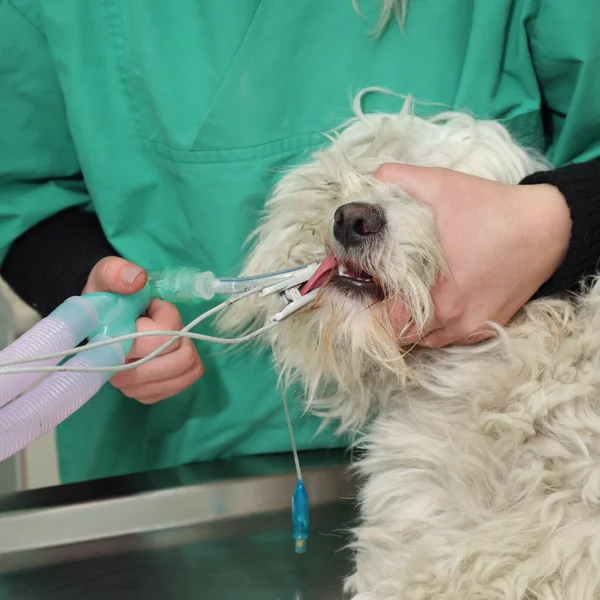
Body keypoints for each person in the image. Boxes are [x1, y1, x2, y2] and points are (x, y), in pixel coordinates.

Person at [0, 0, 599, 484]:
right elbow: (21, 193)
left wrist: (551, 221)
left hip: (516, 455)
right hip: (180, 453)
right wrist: (87, 286)